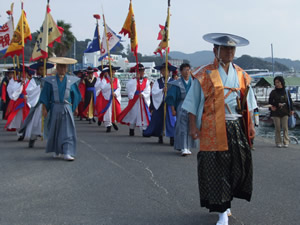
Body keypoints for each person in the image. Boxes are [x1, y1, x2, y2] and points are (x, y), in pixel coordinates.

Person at [182, 33, 257, 225]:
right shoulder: (203, 74)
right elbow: (193, 103)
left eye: (232, 49)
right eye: (225, 48)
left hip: (236, 125)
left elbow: (248, 104)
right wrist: (193, 127)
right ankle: (222, 210)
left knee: (238, 165)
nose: (230, 52)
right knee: (217, 167)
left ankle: (228, 199)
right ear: (216, 50)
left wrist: (250, 126)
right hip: (212, 127)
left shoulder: (242, 74)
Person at [39, 57, 81, 161]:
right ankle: (56, 150)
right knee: (55, 129)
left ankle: (67, 152)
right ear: (57, 68)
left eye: (64, 67)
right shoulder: (50, 81)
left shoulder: (72, 81)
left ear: (66, 68)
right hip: (55, 107)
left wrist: (75, 107)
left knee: (68, 130)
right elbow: (45, 95)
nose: (62, 69)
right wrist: (44, 108)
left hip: (67, 107)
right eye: (60, 66)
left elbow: (76, 95)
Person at [17, 61, 54, 148]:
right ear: (37, 71)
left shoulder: (50, 80)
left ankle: (49, 141)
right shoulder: (34, 80)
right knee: (37, 122)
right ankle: (33, 138)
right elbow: (30, 90)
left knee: (49, 122)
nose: (42, 71)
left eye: (43, 69)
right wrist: (39, 89)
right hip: (39, 104)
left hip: (48, 105)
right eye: (40, 69)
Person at [143, 63, 176, 145]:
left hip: (170, 104)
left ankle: (172, 137)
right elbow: (154, 92)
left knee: (172, 121)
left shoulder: (173, 81)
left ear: (169, 72)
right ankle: (160, 136)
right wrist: (162, 91)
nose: (165, 72)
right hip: (161, 104)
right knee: (159, 120)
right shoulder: (158, 81)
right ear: (161, 72)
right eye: (163, 70)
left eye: (166, 70)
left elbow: (176, 92)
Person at [165, 63, 195, 156]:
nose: (187, 72)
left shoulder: (194, 82)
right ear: (181, 72)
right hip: (181, 105)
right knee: (182, 127)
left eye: (188, 70)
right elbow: (172, 97)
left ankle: (188, 146)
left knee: (191, 126)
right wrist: (173, 109)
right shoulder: (176, 83)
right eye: (185, 70)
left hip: (191, 106)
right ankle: (183, 147)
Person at [118, 63, 151, 136]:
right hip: (135, 101)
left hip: (142, 99)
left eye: (142, 71)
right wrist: (136, 80)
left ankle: (143, 130)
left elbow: (148, 90)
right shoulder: (132, 81)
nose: (142, 72)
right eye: (140, 71)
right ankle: (131, 128)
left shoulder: (146, 81)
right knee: (133, 114)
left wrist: (143, 94)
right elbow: (130, 91)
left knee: (143, 115)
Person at [5, 66, 34, 133]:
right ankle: (20, 131)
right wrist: (20, 85)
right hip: (20, 101)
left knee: (27, 116)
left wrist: (28, 96)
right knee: (18, 117)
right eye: (21, 73)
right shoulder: (17, 82)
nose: (23, 75)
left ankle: (26, 131)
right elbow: (14, 92)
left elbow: (33, 91)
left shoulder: (31, 82)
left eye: (24, 73)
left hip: (27, 102)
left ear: (27, 74)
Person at [268, 76, 294, 148]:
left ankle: (286, 141)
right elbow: (270, 101)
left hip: (285, 111)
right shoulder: (273, 92)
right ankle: (278, 142)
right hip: (276, 112)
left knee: (285, 127)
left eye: (278, 82)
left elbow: (290, 101)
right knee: (278, 128)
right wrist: (276, 104)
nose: (277, 84)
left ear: (281, 82)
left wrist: (291, 109)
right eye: (275, 82)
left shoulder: (286, 91)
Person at [97, 65, 121, 132]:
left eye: (114, 72)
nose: (113, 73)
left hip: (114, 97)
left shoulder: (116, 80)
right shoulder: (105, 80)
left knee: (116, 110)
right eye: (112, 72)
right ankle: (108, 125)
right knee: (108, 112)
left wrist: (115, 93)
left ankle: (114, 121)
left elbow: (119, 88)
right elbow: (103, 89)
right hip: (107, 98)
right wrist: (109, 84)